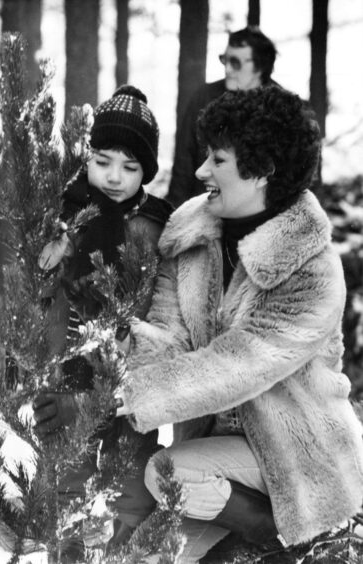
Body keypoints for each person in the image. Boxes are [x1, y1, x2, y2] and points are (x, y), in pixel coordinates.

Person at [115, 85, 363, 563]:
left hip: (299, 458)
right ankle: (248, 539)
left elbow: (240, 365)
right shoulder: (191, 231)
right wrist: (116, 366)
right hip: (212, 454)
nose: (202, 170)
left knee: (166, 470)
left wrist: (131, 394)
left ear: (262, 171)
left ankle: (309, 536)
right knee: (144, 558)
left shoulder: (312, 268)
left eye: (218, 160)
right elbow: (170, 333)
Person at [32, 85, 173, 549]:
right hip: (68, 370)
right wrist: (44, 259)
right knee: (66, 477)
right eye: (103, 161)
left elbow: (162, 294)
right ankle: (67, 550)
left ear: (146, 171)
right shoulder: (62, 215)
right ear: (86, 158)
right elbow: (35, 287)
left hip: (129, 374)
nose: (115, 177)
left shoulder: (153, 222)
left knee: (132, 477)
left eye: (131, 167)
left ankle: (127, 550)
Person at [167, 26, 278, 208]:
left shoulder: (282, 108)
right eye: (225, 60)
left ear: (260, 66)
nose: (227, 69)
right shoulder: (203, 97)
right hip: (205, 209)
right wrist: (172, 217)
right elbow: (183, 164)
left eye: (235, 62)